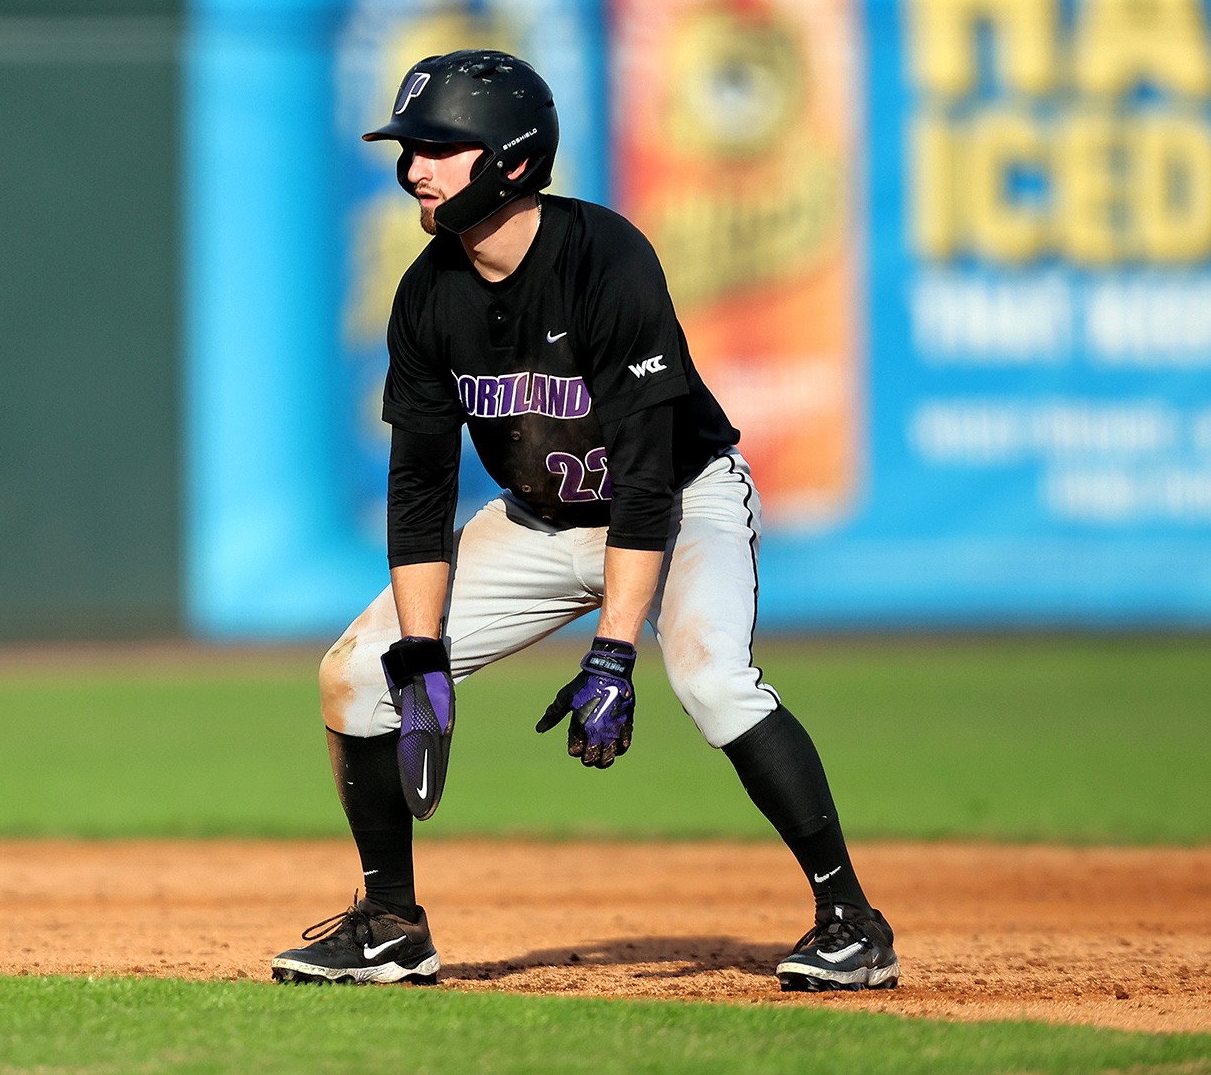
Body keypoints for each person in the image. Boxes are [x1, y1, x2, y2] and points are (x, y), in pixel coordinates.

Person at [269, 49, 898, 993]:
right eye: (410, 148)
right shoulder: (426, 295)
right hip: (535, 523)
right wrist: (424, 650)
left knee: (714, 680)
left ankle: (851, 919)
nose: (415, 170)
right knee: (358, 675)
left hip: (683, 501)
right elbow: (420, 488)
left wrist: (612, 652)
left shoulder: (606, 260)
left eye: (442, 147)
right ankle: (393, 925)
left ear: (513, 161)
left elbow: (646, 475)